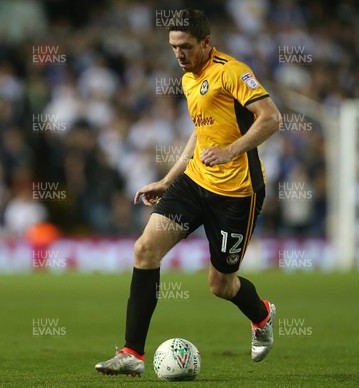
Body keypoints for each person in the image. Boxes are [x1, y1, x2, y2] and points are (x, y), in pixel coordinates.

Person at [95, 9, 281, 376]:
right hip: (196, 180)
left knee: (221, 284)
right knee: (145, 249)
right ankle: (132, 353)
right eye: (173, 47)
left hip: (237, 192)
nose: (178, 54)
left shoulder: (232, 72)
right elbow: (201, 131)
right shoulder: (188, 80)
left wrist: (230, 151)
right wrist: (168, 178)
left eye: (185, 47)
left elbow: (272, 117)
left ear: (206, 43)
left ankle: (262, 315)